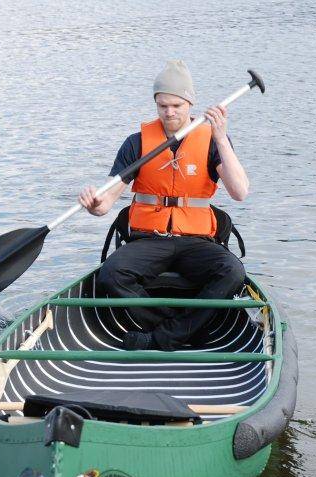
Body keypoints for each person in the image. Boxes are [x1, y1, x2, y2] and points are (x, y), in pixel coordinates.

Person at [77, 60, 250, 351]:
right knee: (111, 274)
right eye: (162, 106)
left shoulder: (212, 141)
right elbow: (106, 200)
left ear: (189, 104)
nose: (169, 112)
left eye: (176, 106)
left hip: (196, 241)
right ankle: (181, 330)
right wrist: (94, 205)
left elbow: (240, 192)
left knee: (233, 271)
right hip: (149, 240)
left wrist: (221, 138)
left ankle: (159, 338)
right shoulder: (136, 143)